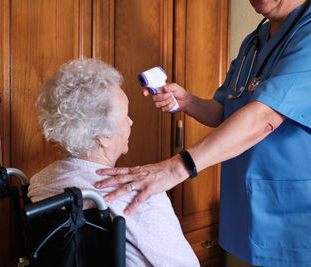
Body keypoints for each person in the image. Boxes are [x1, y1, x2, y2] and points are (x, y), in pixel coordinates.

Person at [94, 1, 311, 266]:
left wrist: (176, 167)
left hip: (291, 214)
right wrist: (187, 101)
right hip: (244, 210)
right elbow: (226, 109)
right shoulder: (253, 43)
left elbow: (264, 116)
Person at [28, 58, 200, 267]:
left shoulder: (39, 183)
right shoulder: (142, 194)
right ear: (103, 136)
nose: (131, 122)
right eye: (126, 115)